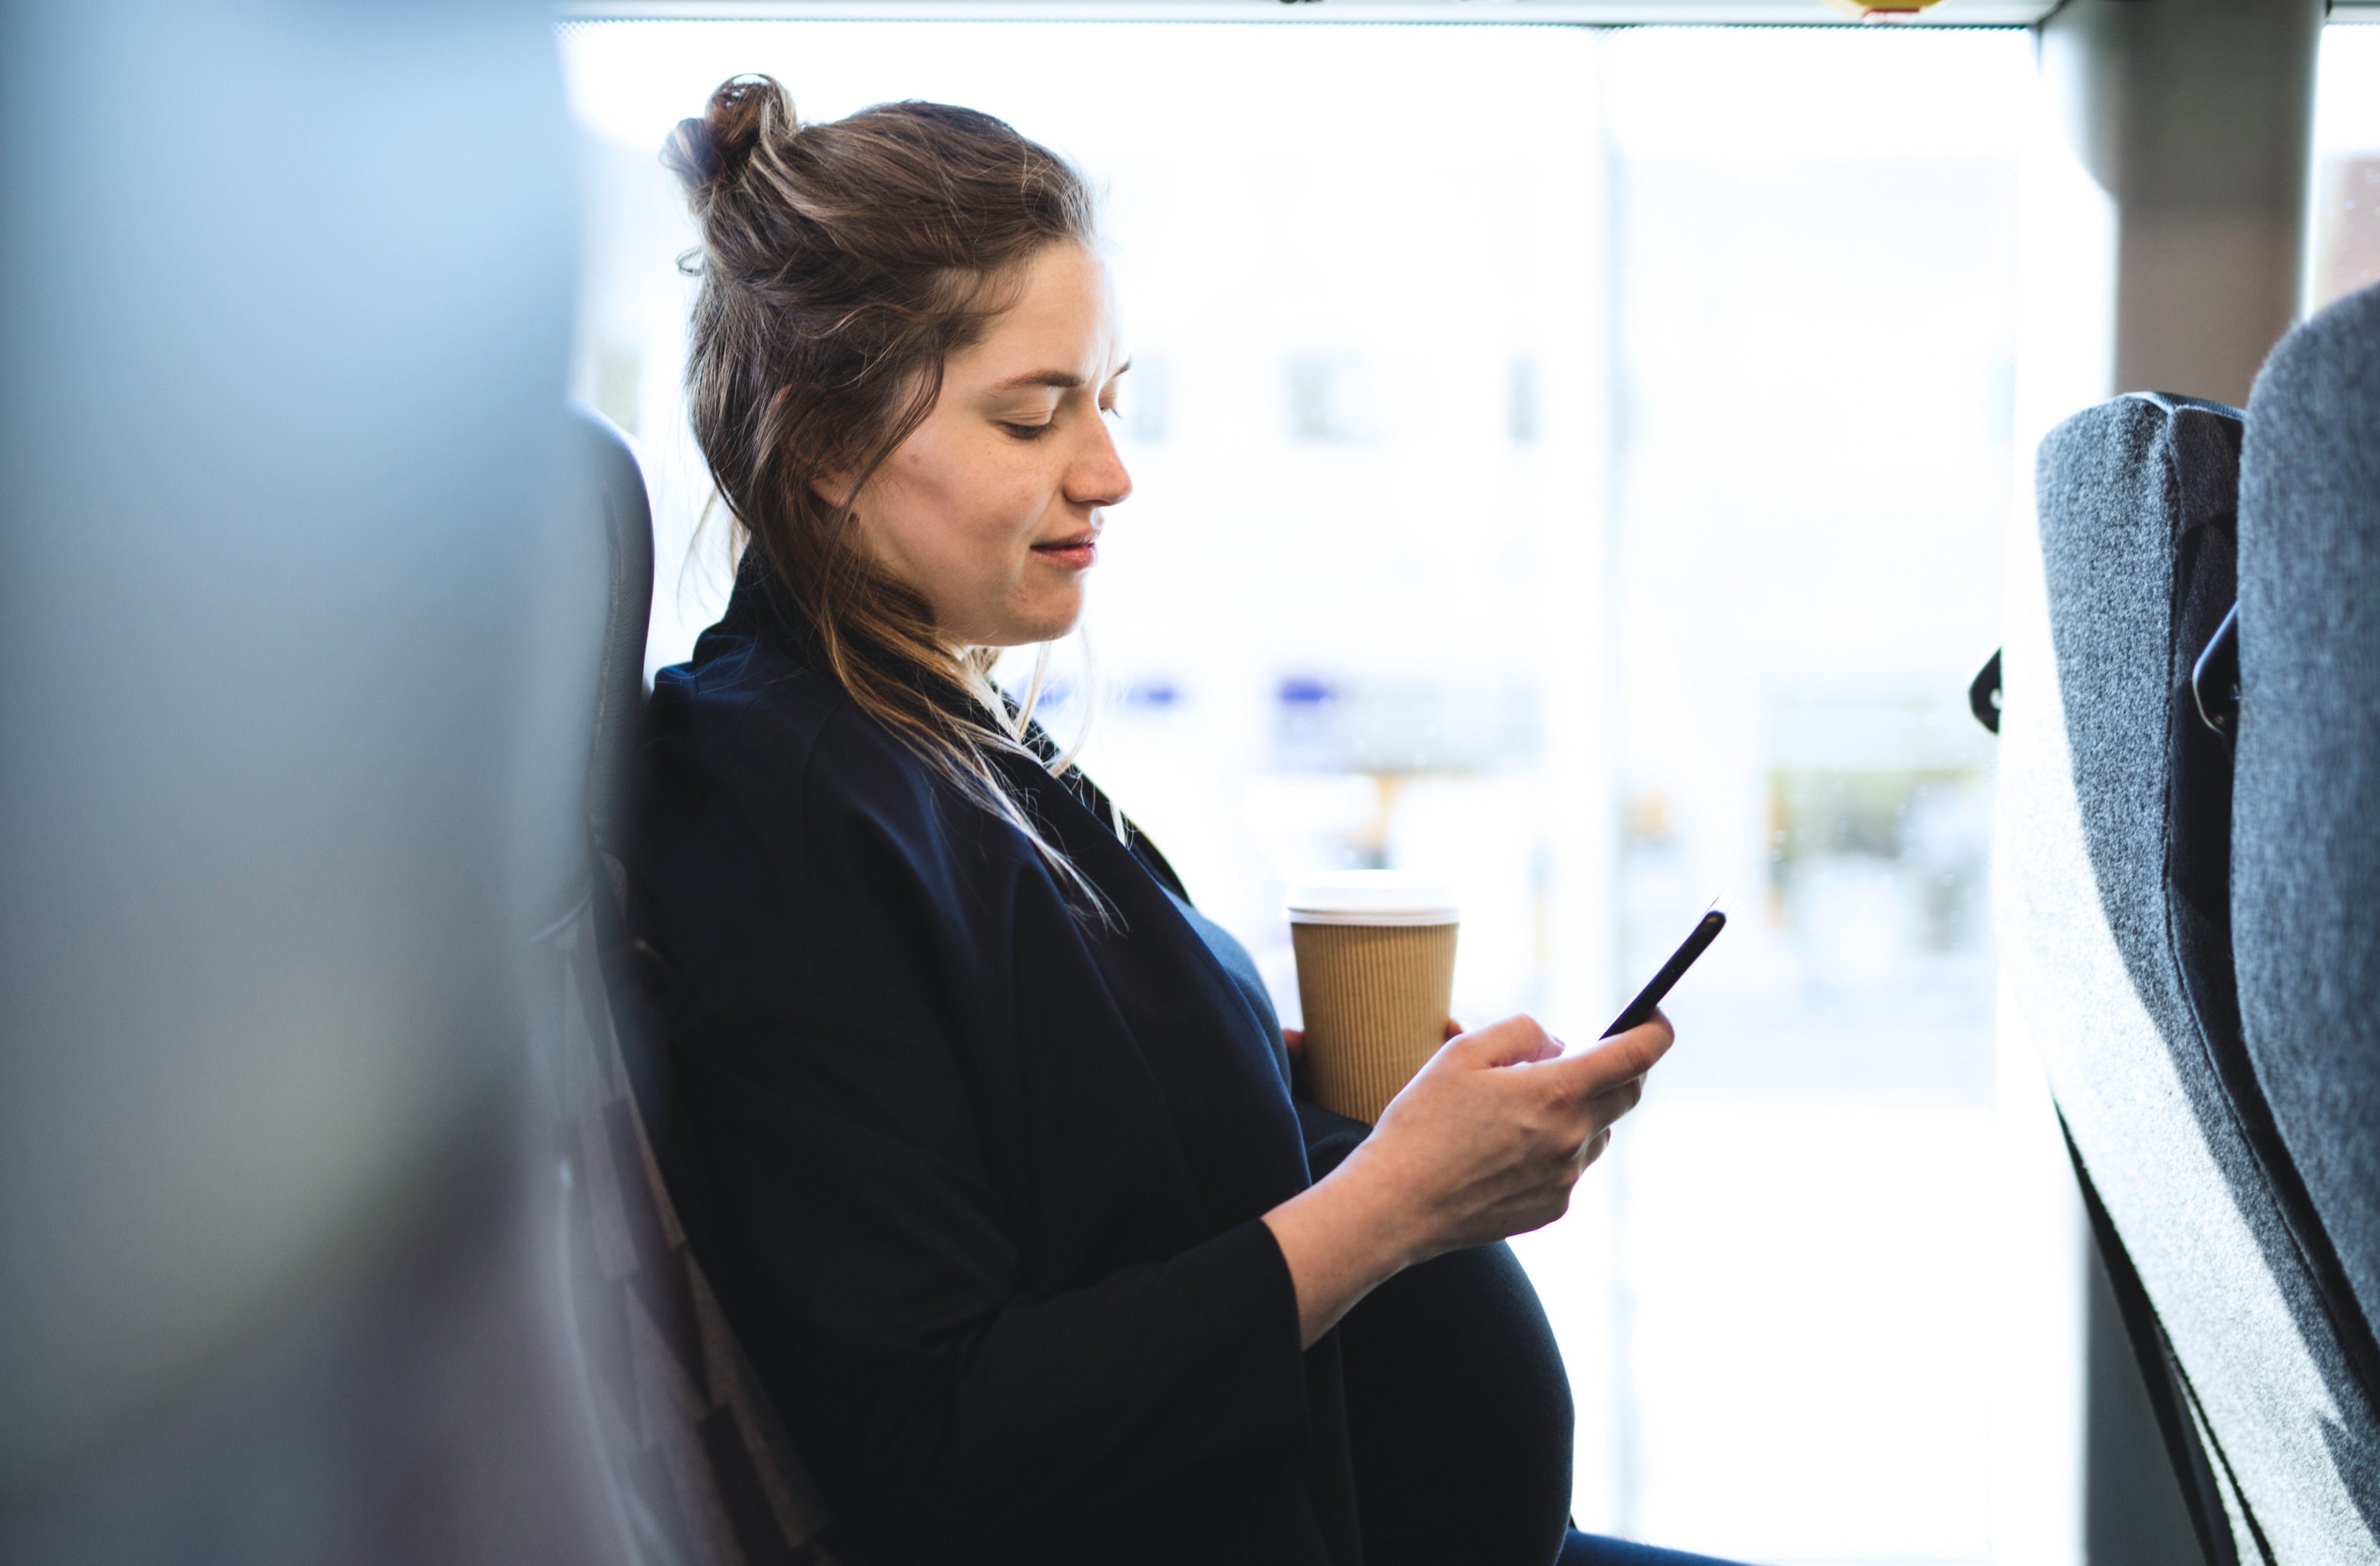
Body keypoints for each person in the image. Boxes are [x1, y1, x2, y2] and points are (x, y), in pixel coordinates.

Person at [629, 75, 1741, 1566]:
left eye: (1109, 398)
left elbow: (1040, 1139)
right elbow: (937, 1440)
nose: (1107, 470)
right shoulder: (778, 807)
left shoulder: (940, 730)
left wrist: (1322, 1099)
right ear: (823, 444)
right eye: (1034, 416)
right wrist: (1400, 1203)